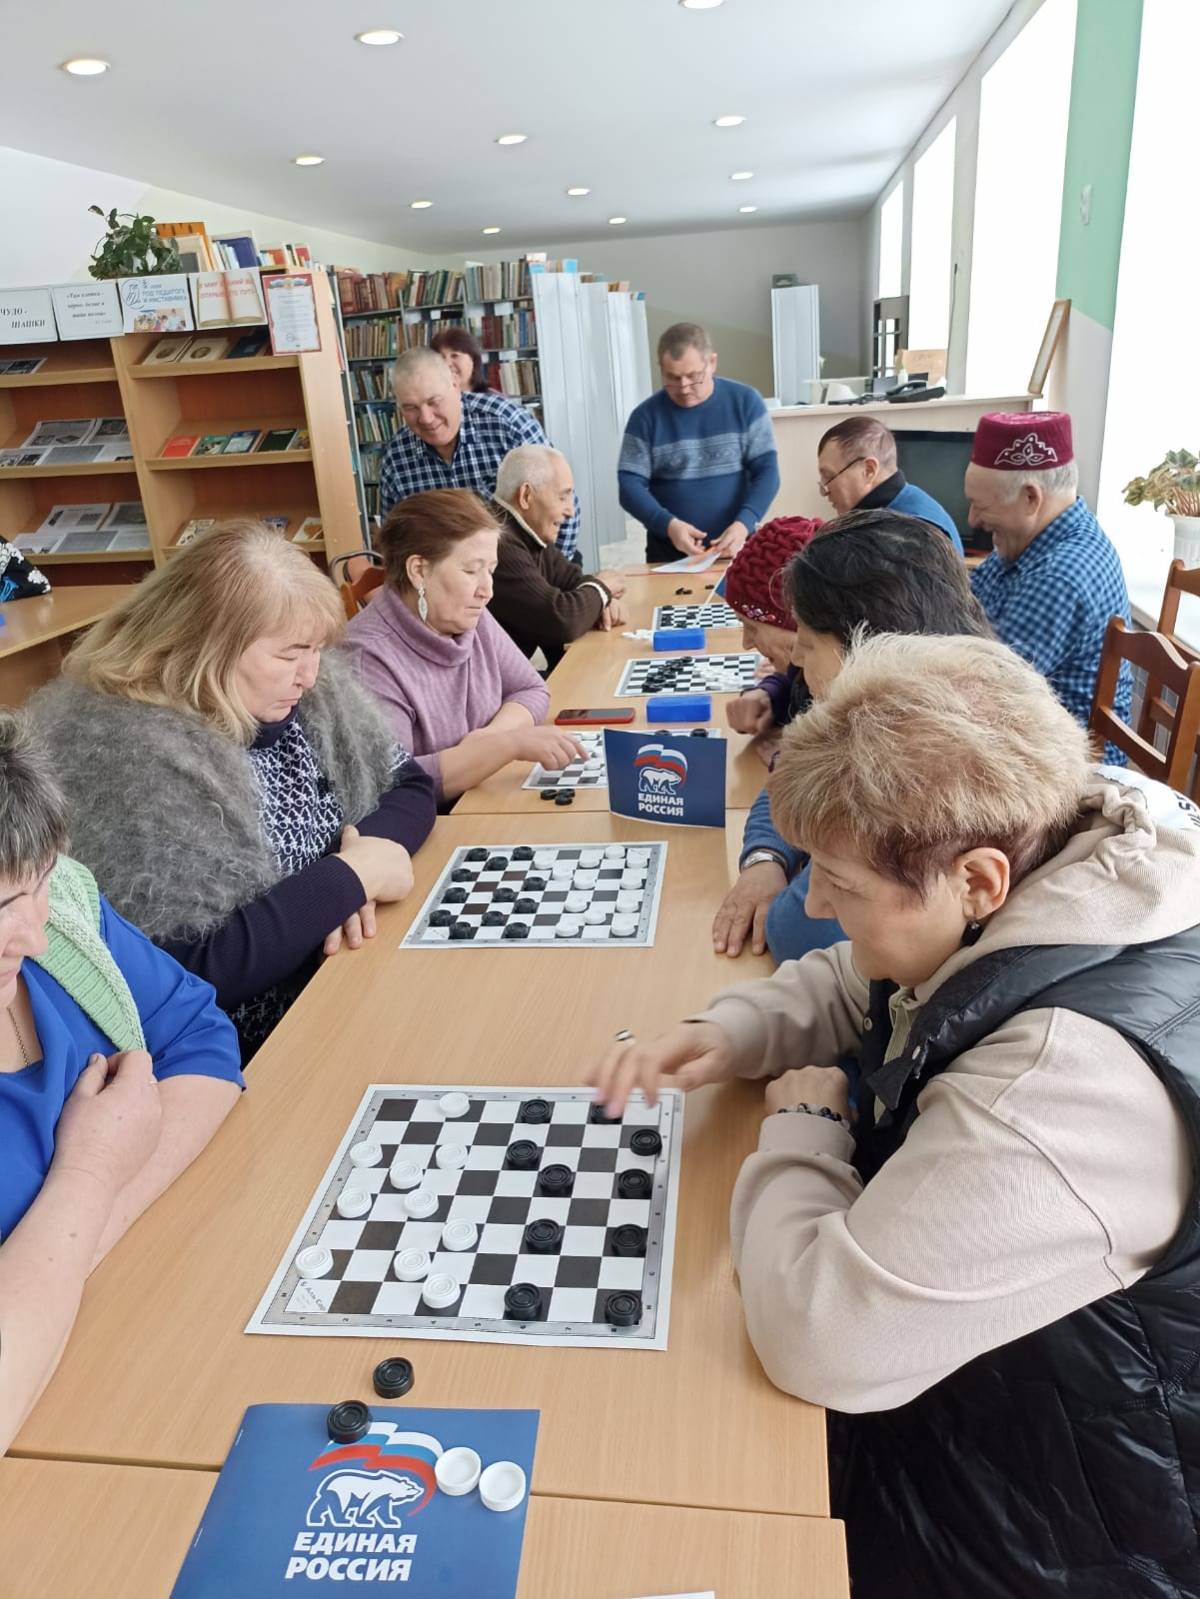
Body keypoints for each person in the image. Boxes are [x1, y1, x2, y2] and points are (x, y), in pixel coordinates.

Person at [589, 632, 1200, 1599]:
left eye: (843, 885)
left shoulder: (1055, 1092)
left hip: (1071, 1507)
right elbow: (875, 974)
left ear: (979, 881)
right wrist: (731, 1030)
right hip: (1013, 1385)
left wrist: (805, 1130)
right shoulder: (1068, 846)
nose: (822, 908)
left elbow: (821, 1341)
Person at [29, 521, 435, 1060]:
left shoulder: (299, 691)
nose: (310, 673)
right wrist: (351, 878)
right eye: (289, 655)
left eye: (316, 649)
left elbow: (409, 784)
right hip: (235, 1052)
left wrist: (361, 866)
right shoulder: (124, 752)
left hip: (341, 981)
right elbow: (192, 970)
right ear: (208, 646)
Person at [0, 712, 241, 1451]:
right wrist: (93, 1171)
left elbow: (201, 1041)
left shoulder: (62, 910)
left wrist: (83, 1235)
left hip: (156, 1338)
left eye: (38, 883)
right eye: (2, 909)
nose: (33, 934)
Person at [717, 512, 992, 962]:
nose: (796, 663)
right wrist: (767, 856)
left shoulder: (917, 765)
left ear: (867, 650)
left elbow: (802, 927)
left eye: (807, 644)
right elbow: (792, 779)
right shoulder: (933, 698)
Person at [340, 488, 586, 803]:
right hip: (438, 823)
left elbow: (531, 689)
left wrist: (490, 739)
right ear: (419, 571)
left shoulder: (467, 614)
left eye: (491, 570)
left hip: (486, 797)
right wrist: (507, 745)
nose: (487, 590)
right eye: (471, 570)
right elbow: (395, 781)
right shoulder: (366, 658)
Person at [967, 410, 1131, 758]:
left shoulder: (1059, 575)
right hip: (1022, 737)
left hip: (1066, 767)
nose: (973, 519)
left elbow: (983, 694)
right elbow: (964, 601)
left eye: (980, 506)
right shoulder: (1030, 543)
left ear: (1031, 498)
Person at [380, 347, 581, 559]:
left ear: (455, 385)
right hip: (448, 577)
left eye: (434, 402)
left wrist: (549, 572)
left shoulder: (507, 424)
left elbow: (563, 503)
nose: (426, 418)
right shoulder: (395, 460)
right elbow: (395, 542)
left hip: (529, 566)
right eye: (411, 408)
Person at [618, 321, 780, 564]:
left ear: (711, 363)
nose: (683, 388)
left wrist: (744, 523)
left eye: (693, 376)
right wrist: (668, 525)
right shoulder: (645, 417)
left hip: (737, 547)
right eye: (672, 378)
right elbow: (629, 485)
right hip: (668, 554)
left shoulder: (746, 402)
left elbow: (768, 472)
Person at [489, 444, 628, 670]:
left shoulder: (527, 533)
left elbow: (573, 581)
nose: (570, 511)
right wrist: (602, 589)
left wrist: (600, 599)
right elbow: (562, 619)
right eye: (563, 497)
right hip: (487, 688)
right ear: (526, 496)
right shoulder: (498, 542)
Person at [815, 416, 963, 553]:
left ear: (869, 470)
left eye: (829, 476)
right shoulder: (906, 502)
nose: (824, 490)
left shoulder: (908, 534)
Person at [430, 325, 490, 394]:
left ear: (473, 359)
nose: (447, 363)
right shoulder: (425, 398)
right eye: (441, 357)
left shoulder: (493, 400)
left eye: (455, 356)